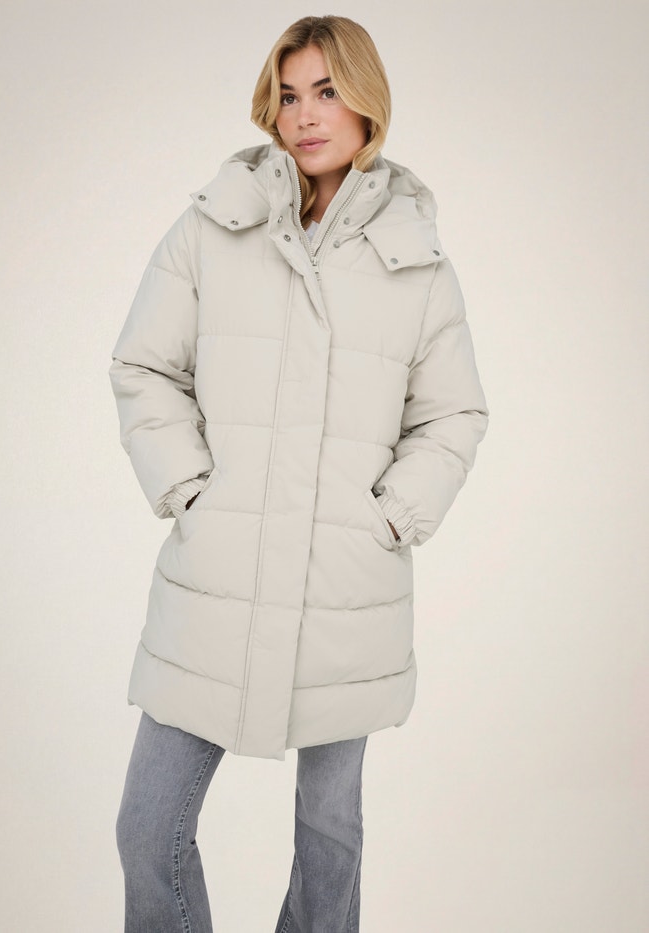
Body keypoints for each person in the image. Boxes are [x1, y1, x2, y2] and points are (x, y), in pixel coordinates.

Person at [110, 14, 488, 932]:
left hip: (346, 588)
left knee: (330, 838)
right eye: (287, 94)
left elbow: (452, 415)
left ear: (366, 102)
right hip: (217, 574)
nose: (305, 114)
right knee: (147, 826)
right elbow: (144, 365)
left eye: (326, 90)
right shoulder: (213, 225)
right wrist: (191, 490)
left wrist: (388, 517)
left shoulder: (417, 260)